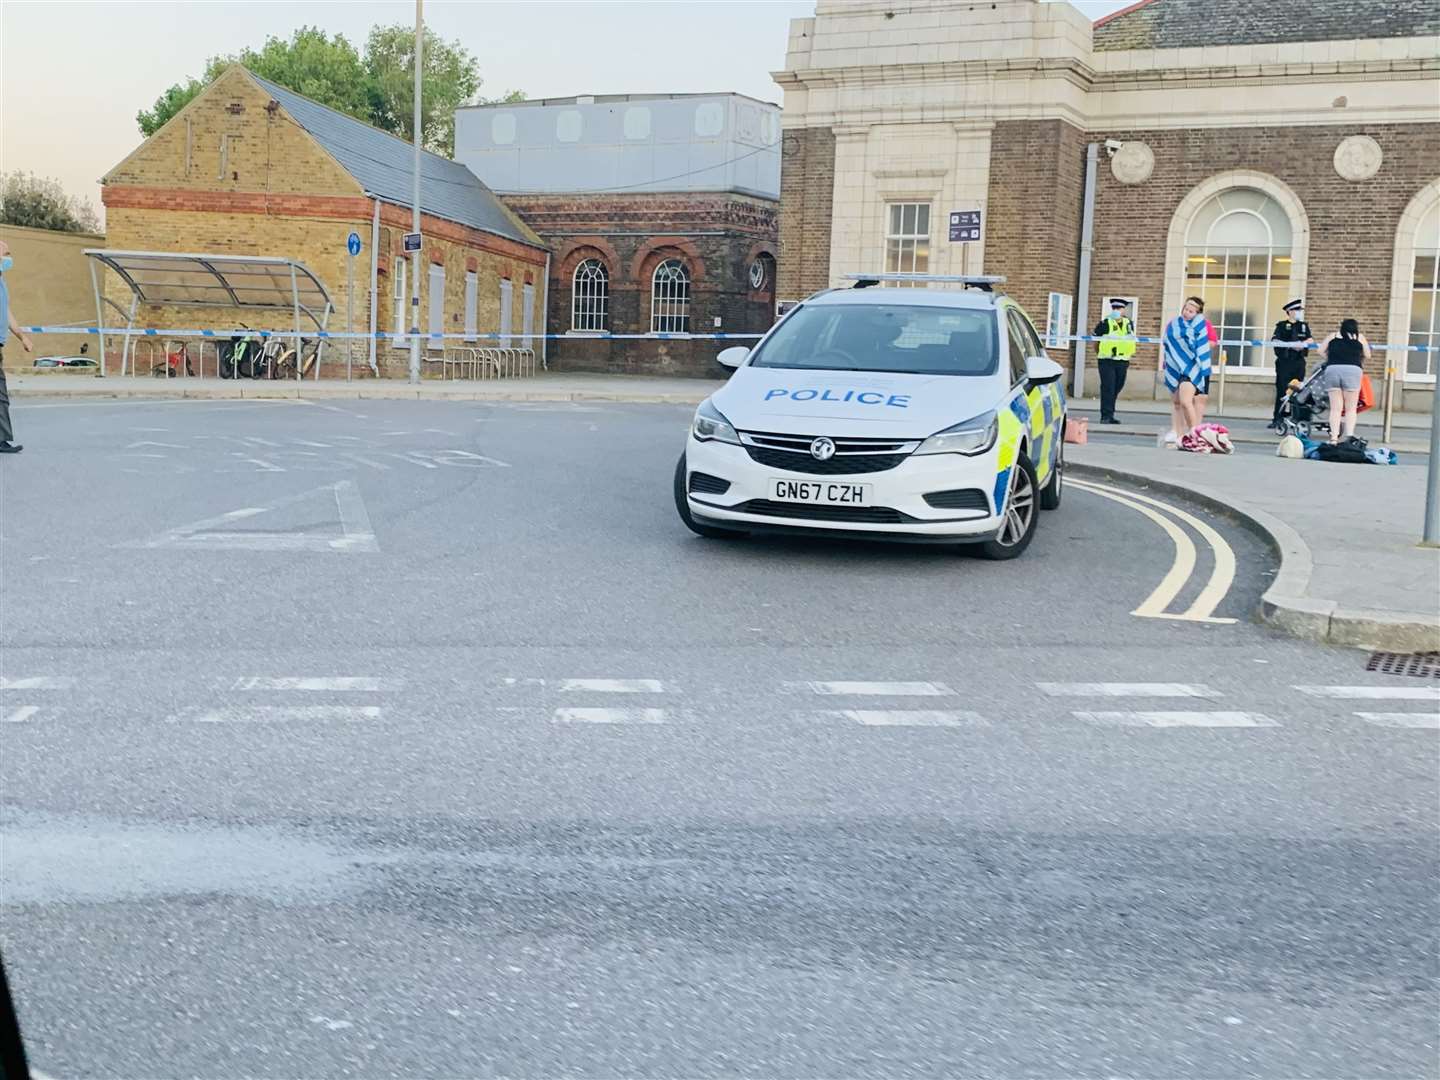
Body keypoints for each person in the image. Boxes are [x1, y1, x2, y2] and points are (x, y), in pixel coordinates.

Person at [1162, 296, 1212, 452]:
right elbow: (1168, 341)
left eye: (1191, 311)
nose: (1186, 313)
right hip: (1175, 367)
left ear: (1197, 313)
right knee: (1177, 402)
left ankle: (1194, 432)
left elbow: (1207, 344)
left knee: (1185, 401)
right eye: (1185, 309)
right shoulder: (1174, 324)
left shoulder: (1202, 325)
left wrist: (1190, 349)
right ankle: (1178, 433)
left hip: (1193, 367)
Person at [0, 240, 33, 455]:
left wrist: (22, 336)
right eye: (6, 254)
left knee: (1, 396)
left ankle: (2, 439)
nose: (9, 258)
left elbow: (7, 312)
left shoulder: (2, 281)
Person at [1318, 318, 1370, 444]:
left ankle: (1333, 438)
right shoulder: (1359, 338)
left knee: (1335, 409)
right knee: (1350, 409)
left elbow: (1319, 351)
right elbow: (1368, 355)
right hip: (1352, 371)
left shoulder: (1333, 336)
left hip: (1333, 369)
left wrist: (1331, 358)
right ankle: (1349, 436)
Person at [1270, 298, 1313, 430]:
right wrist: (1290, 345)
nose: (1299, 312)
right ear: (1289, 311)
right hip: (1285, 362)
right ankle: (1278, 418)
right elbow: (1275, 340)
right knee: (1282, 389)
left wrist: (1303, 344)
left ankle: (1297, 417)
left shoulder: (1303, 326)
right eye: (1297, 310)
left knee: (1299, 390)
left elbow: (1310, 340)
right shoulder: (1282, 326)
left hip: (1299, 362)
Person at [1093, 298, 1135, 424]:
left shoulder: (1129, 323)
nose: (1116, 311)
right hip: (1107, 360)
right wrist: (1101, 354)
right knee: (1108, 387)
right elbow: (1095, 341)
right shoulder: (1105, 323)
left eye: (1119, 308)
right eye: (1114, 308)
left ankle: (1110, 412)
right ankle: (1106, 416)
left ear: (1123, 310)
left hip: (1122, 360)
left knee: (1118, 386)